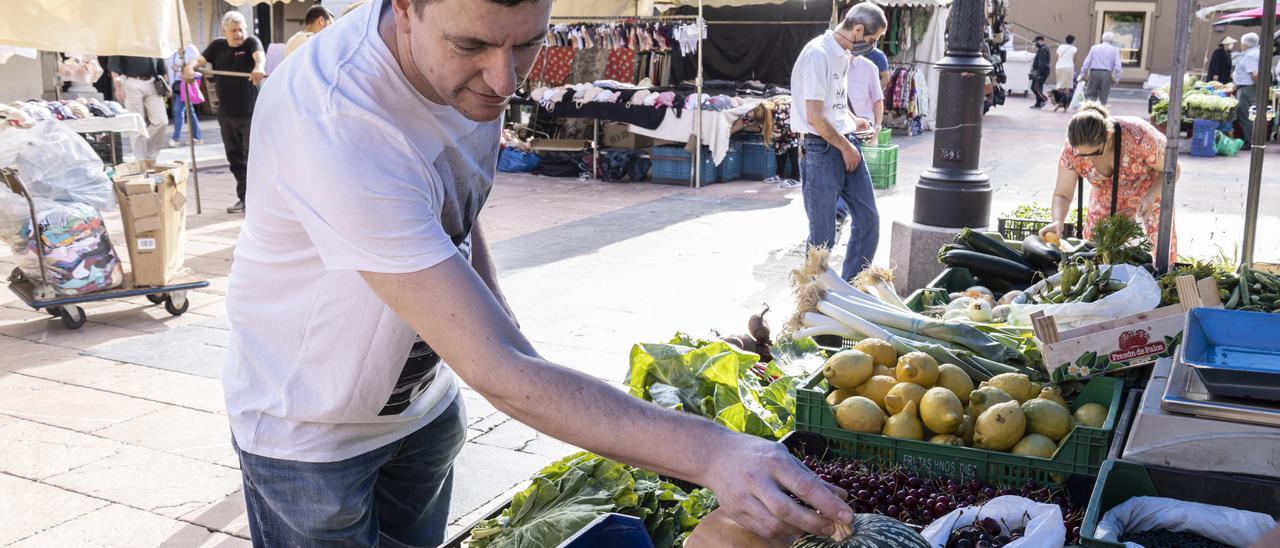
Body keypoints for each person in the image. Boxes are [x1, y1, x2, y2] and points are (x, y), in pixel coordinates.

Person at [224, 0, 852, 545]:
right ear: (406, 6)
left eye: (526, 43)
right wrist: (715, 452)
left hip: (421, 409)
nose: (502, 79)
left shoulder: (467, 75)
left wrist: (500, 321)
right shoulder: (339, 118)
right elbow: (498, 370)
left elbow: (450, 204)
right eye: (470, 45)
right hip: (312, 429)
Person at [790, 3, 886, 280]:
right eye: (870, 39)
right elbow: (815, 117)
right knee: (823, 238)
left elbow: (834, 102)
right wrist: (846, 147)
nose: (870, 46)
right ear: (857, 29)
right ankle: (810, 299)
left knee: (869, 220)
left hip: (845, 140)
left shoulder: (843, 54)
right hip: (821, 148)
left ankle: (852, 287)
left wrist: (853, 120)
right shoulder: (818, 54)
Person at [1039, 102, 1178, 265]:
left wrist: (1149, 197)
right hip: (1103, 206)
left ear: (1108, 135)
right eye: (1082, 154)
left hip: (1148, 204)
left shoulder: (1139, 136)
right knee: (1097, 263)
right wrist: (1057, 220)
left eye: (1095, 152)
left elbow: (1173, 169)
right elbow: (1062, 194)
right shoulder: (1072, 149)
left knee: (1151, 264)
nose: (1088, 159)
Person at [184, 11, 265, 214]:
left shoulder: (250, 43)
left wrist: (259, 67)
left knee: (253, 157)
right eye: (234, 30)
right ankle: (244, 198)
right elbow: (198, 61)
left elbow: (259, 57)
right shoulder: (217, 45)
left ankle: (260, 200)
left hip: (249, 113)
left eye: (241, 29)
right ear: (224, 31)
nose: (239, 34)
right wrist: (189, 67)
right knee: (235, 157)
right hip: (227, 114)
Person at [108, 55, 168, 161]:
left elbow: (161, 66)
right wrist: (117, 86)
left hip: (153, 82)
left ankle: (150, 157)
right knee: (137, 123)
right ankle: (140, 160)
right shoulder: (121, 40)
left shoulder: (152, 39)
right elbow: (114, 67)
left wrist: (166, 84)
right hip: (131, 81)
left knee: (162, 122)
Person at [167, 43, 203, 147]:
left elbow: (197, 64)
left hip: (185, 84)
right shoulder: (170, 49)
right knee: (189, 111)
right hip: (175, 86)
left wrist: (180, 69)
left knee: (178, 110)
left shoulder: (190, 48)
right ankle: (197, 137)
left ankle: (176, 138)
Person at [1079, 32, 1123, 105]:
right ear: (1112, 40)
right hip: (1106, 73)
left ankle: (1089, 110)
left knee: (1090, 94)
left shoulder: (1094, 48)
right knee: (1104, 96)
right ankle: (1101, 111)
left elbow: (1086, 62)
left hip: (1094, 72)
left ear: (1102, 39)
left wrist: (1082, 74)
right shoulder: (1115, 50)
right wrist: (1117, 78)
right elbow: (1118, 66)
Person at [1234, 32, 1262, 148]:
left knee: (1246, 116)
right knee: (1250, 115)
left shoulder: (1251, 55)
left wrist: (1258, 88)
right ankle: (1251, 140)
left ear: (1245, 44)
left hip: (1247, 89)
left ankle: (1249, 141)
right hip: (1248, 88)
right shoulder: (1256, 53)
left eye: (1242, 43)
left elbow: (1255, 74)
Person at [847, 55, 885, 141]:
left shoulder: (869, 67)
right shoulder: (833, 64)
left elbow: (878, 99)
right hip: (839, 130)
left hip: (864, 131)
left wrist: (877, 127)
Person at [1030, 36, 1051, 109]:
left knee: (1037, 88)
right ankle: (1038, 103)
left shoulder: (1043, 49)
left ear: (1040, 41)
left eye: (1036, 42)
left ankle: (1043, 99)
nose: (1035, 44)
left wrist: (1037, 72)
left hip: (1042, 71)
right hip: (1040, 70)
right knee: (1035, 87)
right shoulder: (1041, 49)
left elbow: (1042, 63)